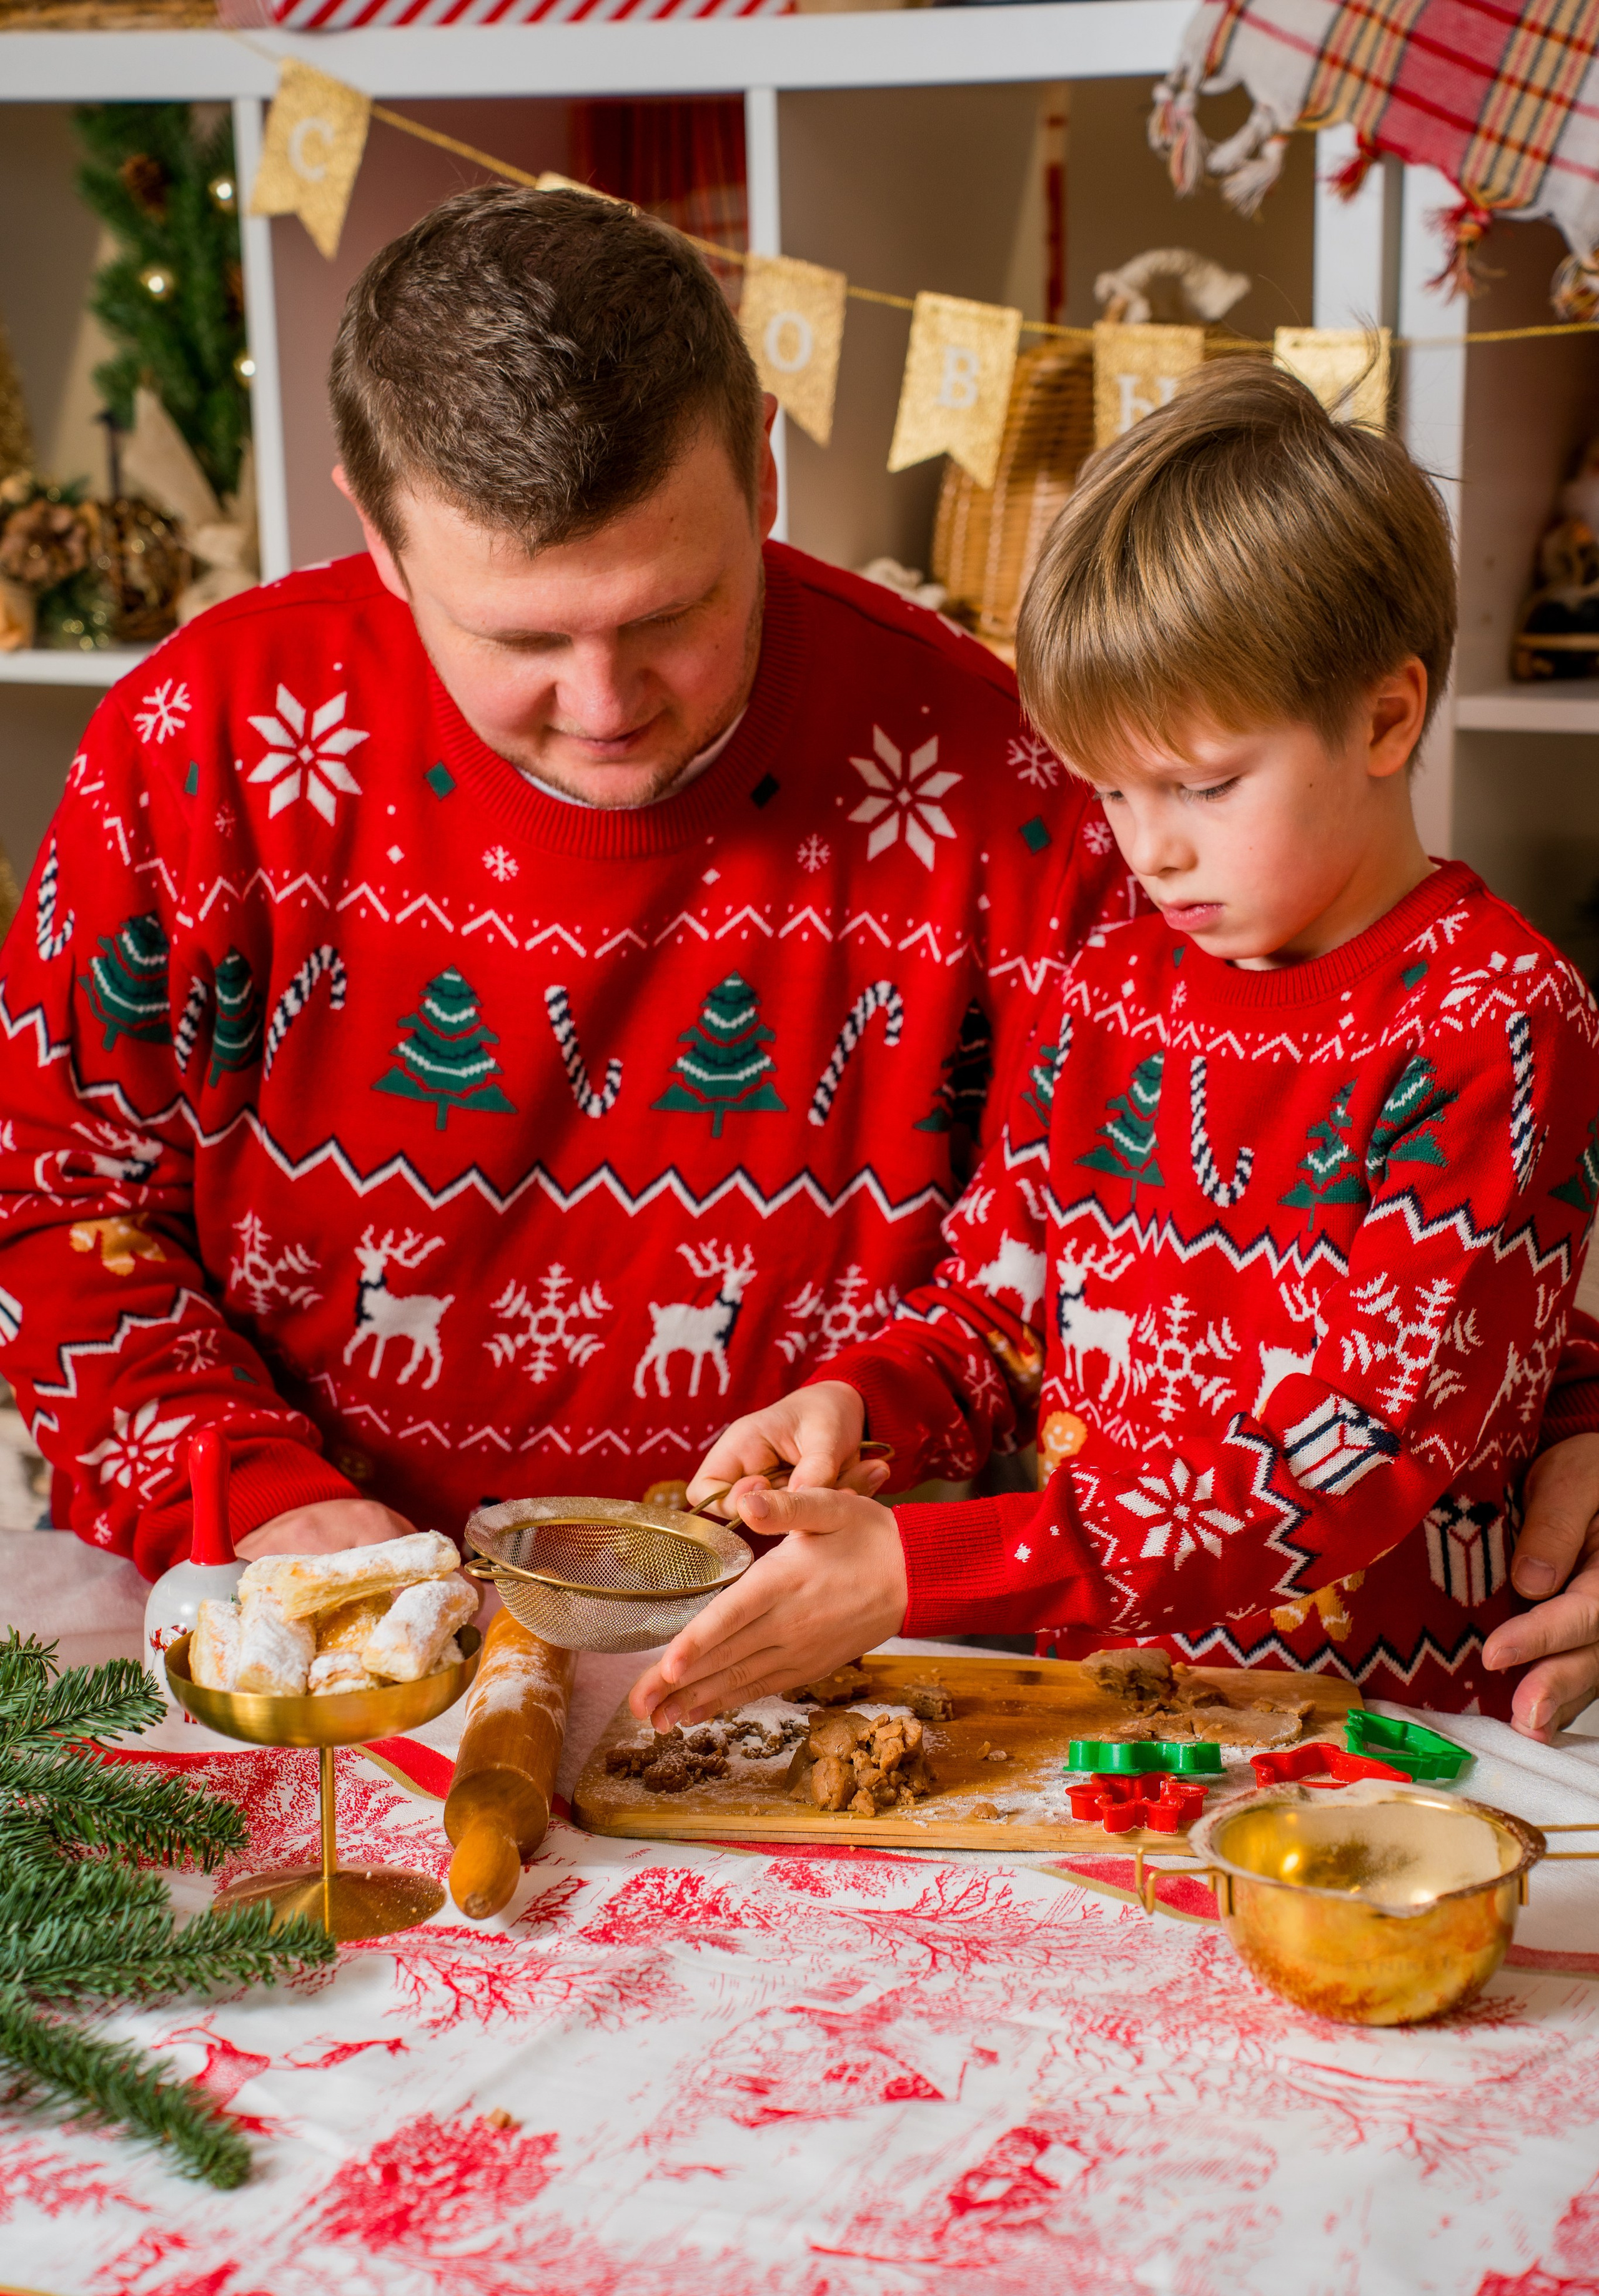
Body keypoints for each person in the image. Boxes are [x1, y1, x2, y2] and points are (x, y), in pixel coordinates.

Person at [0, 190, 1594, 1735]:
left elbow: (1308, 1191)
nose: (606, 699)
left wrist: (1568, 1414)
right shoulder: (200, 744)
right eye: (521, 642)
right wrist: (265, 1510)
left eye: (669, 612)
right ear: (377, 527)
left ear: (763, 463)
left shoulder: (1023, 780)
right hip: (317, 1645)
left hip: (854, 1673)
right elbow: (48, 1198)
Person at [641, 361, 1599, 1734]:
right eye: (1108, 787)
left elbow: (1350, 1454)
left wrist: (931, 1568)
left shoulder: (1489, 1020)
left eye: (1202, 784)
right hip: (1091, 1707)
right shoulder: (1109, 982)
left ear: (1384, 718)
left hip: (1378, 1742)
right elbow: (1000, 1309)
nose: (1147, 847)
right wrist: (866, 1409)